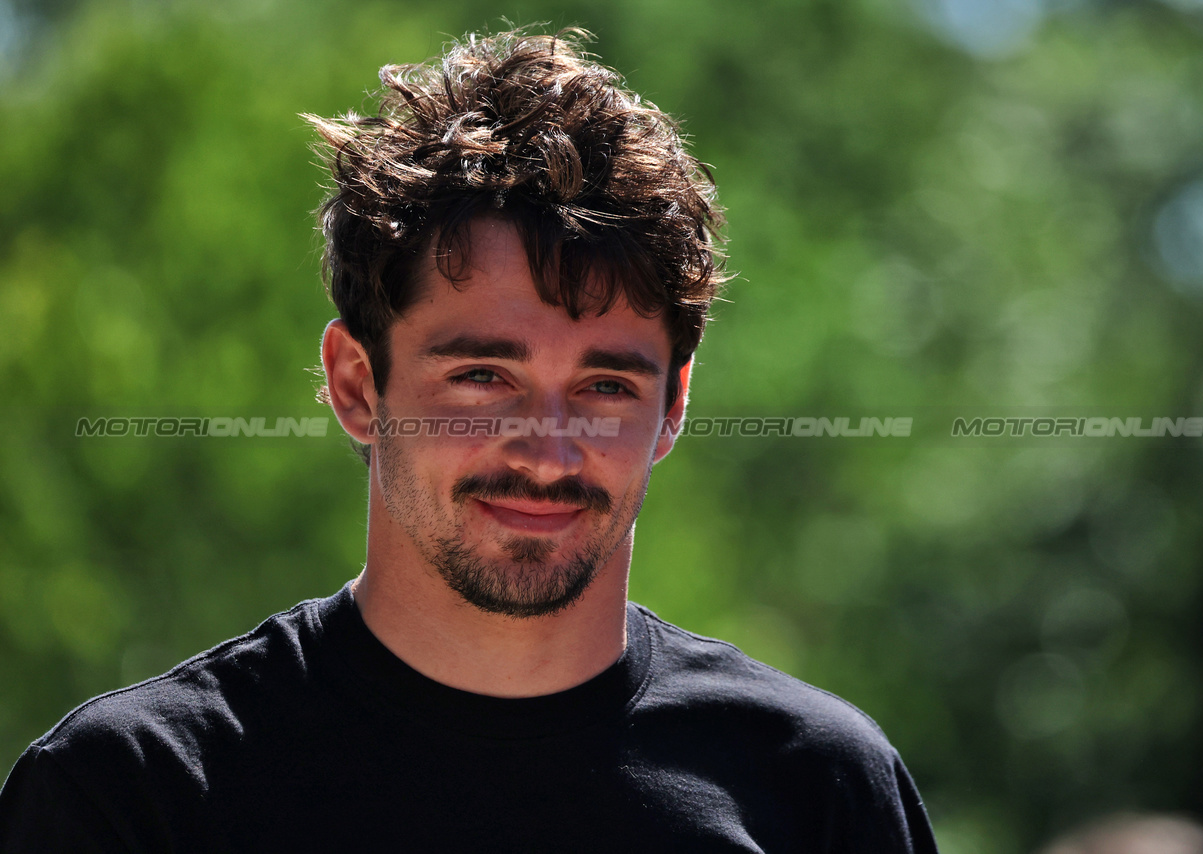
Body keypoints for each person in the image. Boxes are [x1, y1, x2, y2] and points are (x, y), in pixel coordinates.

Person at [0, 28, 937, 851]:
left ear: (674, 407)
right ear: (357, 386)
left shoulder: (817, 789)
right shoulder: (135, 796)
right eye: (484, 377)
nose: (547, 451)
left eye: (606, 386)